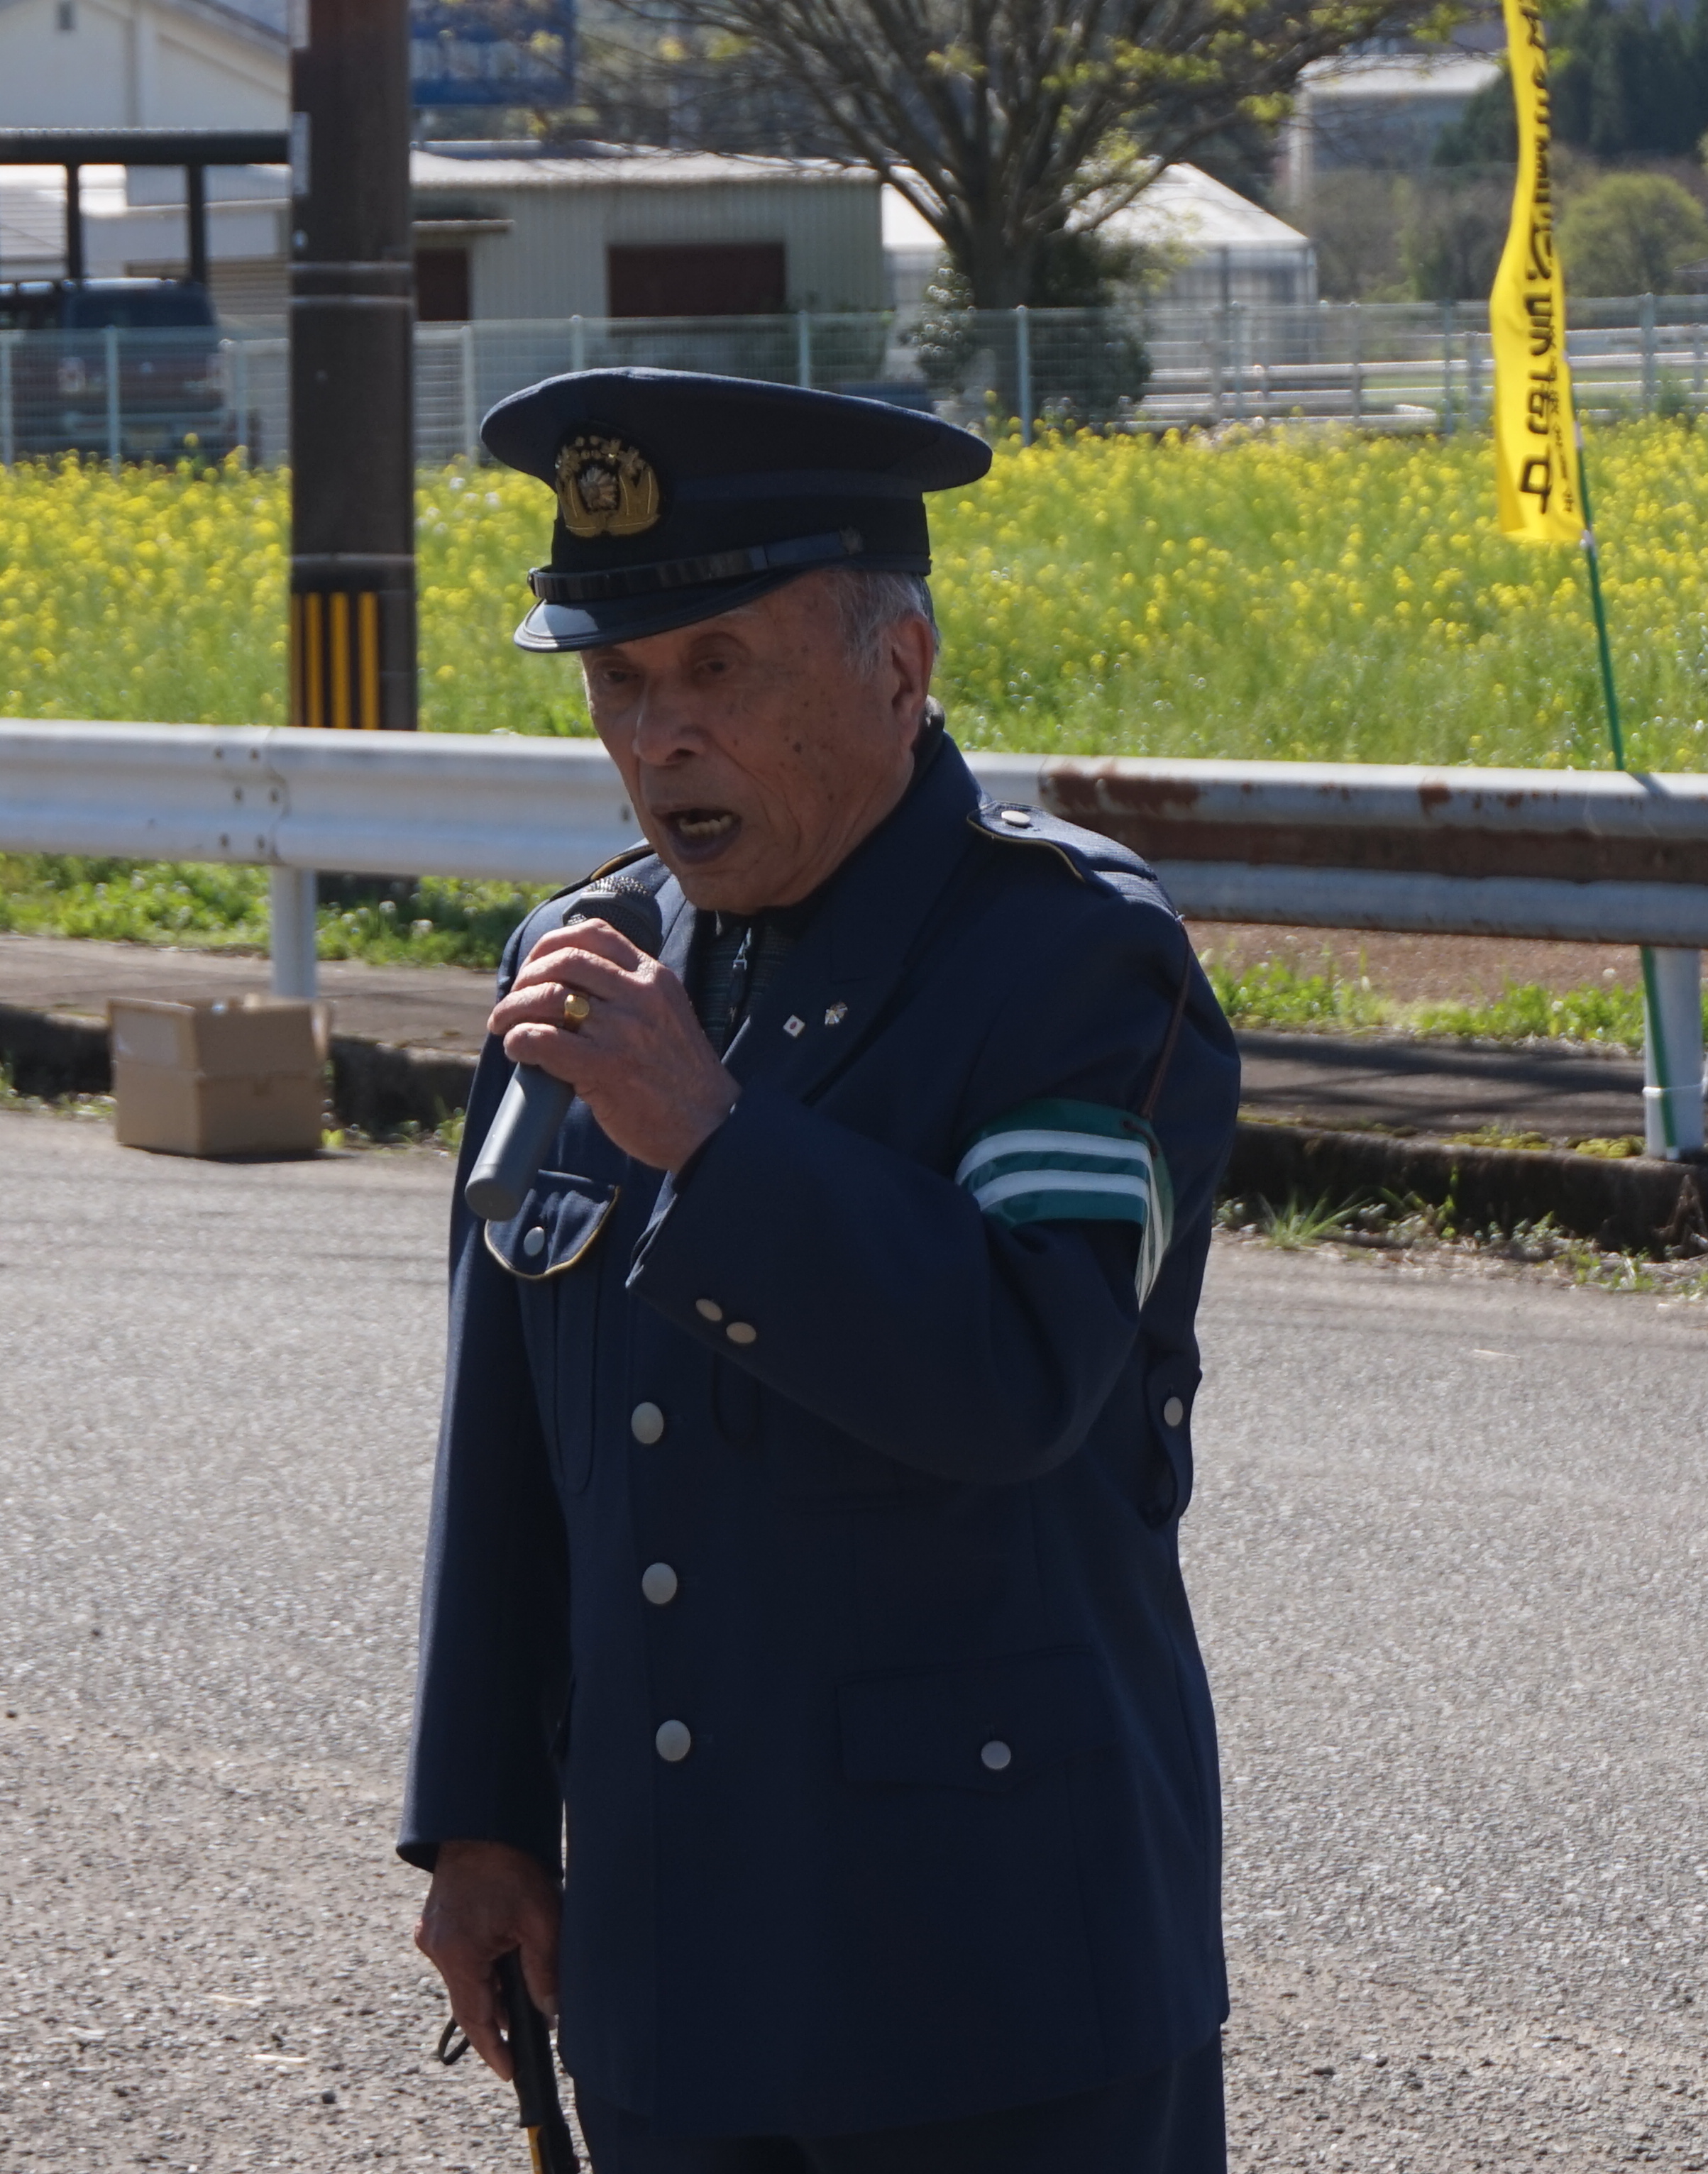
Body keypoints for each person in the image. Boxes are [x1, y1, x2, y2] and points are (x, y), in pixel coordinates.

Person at [398, 368, 1243, 2173]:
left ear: (899, 664)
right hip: (669, 1974)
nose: (659, 735)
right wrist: (476, 1818)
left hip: (999, 1979)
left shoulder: (1071, 968)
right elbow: (509, 1431)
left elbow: (1018, 1373)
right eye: (619, 683)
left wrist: (715, 1143)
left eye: (717, 668)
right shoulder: (595, 954)